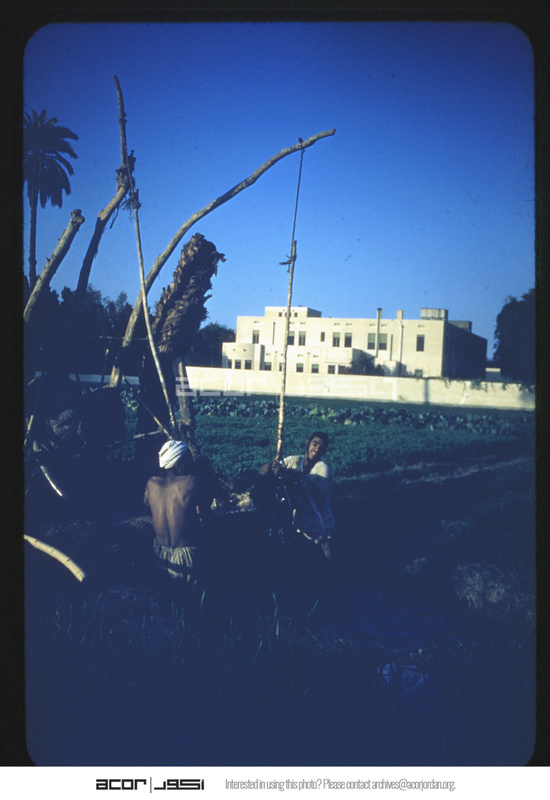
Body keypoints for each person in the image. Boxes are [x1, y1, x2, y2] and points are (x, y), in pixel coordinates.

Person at [144, 440, 212, 584]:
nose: (192, 463)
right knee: (188, 596)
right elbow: (207, 517)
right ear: (178, 465)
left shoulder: (151, 483)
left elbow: (146, 502)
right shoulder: (193, 482)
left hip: (159, 552)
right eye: (189, 459)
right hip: (186, 555)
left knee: (165, 594)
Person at [259, 432, 335, 559]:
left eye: (321, 447)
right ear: (308, 444)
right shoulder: (294, 461)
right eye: (315, 444)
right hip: (298, 526)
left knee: (326, 556)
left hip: (320, 525)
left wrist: (288, 473)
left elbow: (314, 499)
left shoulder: (323, 470)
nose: (317, 449)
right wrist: (272, 467)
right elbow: (264, 472)